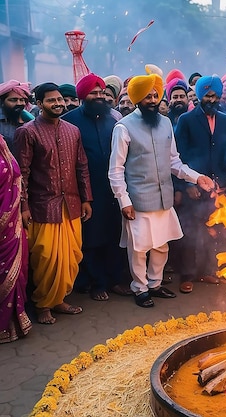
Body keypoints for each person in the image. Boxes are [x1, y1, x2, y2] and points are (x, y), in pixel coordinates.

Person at [108, 73, 215, 308]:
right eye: (147, 96)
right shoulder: (123, 128)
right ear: (136, 98)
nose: (153, 100)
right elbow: (115, 170)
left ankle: (155, 284)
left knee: (161, 245)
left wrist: (197, 178)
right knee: (139, 248)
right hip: (137, 199)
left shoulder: (166, 123)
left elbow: (174, 162)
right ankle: (140, 288)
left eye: (156, 95)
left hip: (164, 198)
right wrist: (123, 200)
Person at [16, 82, 93, 325]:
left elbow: (82, 167)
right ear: (39, 104)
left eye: (60, 99)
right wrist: (23, 206)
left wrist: (86, 199)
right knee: (47, 259)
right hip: (42, 207)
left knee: (71, 256)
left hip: (70, 203)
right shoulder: (27, 132)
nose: (58, 103)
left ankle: (58, 300)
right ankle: (42, 305)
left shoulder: (73, 131)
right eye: (51, 100)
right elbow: (22, 174)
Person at [62, 73, 130, 301]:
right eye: (93, 93)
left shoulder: (114, 120)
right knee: (92, 237)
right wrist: (82, 195)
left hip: (113, 187)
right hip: (86, 189)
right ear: (83, 95)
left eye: (102, 93)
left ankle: (115, 280)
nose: (99, 96)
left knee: (115, 234)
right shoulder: (69, 121)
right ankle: (97, 283)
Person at [173, 75, 226, 293]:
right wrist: (185, 186)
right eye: (207, 95)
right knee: (190, 233)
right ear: (200, 97)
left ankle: (208, 271)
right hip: (193, 186)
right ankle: (187, 275)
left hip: (218, 188)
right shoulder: (186, 120)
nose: (212, 99)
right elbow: (177, 157)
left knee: (214, 230)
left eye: (215, 95)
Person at [0, 135, 31, 342]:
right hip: (5, 220)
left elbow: (17, 178)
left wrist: (23, 208)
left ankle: (13, 321)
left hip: (12, 224)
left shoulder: (2, 144)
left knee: (15, 270)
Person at [0, 80, 34, 154]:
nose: (19, 103)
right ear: (2, 102)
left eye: (22, 100)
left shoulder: (31, 120)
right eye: (13, 100)